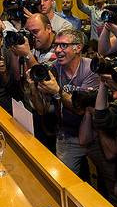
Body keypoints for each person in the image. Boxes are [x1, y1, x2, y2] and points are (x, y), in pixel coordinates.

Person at [31, 29, 99, 175]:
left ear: (78, 47)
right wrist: (33, 87)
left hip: (95, 135)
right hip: (67, 134)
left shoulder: (91, 68)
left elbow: (80, 109)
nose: (57, 50)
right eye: (56, 45)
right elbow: (41, 110)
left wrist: (57, 91)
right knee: (65, 180)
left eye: (63, 46)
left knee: (108, 180)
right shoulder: (53, 68)